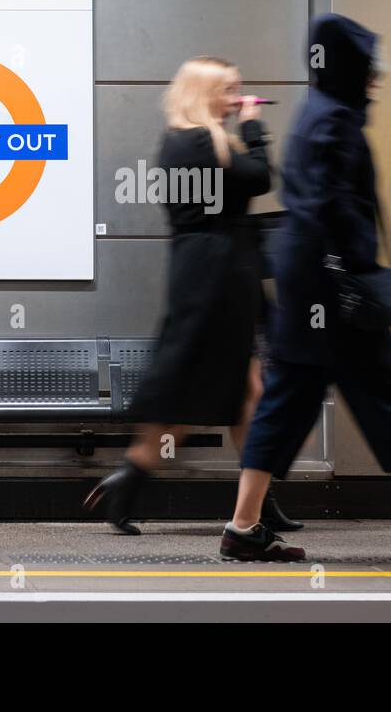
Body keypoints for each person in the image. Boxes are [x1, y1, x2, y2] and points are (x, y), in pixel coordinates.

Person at [221, 13, 391, 562]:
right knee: (387, 401)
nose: (378, 75)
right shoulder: (336, 121)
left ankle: (243, 526)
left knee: (285, 405)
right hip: (338, 296)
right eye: (370, 64)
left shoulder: (315, 112)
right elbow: (333, 207)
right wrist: (355, 272)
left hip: (309, 293)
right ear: (350, 65)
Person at [83, 57, 299, 533]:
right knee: (195, 393)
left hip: (213, 272)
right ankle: (131, 478)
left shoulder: (187, 139)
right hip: (217, 277)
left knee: (246, 389)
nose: (237, 98)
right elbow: (260, 177)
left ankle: (258, 500)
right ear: (203, 93)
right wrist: (255, 127)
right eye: (228, 89)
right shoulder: (199, 141)